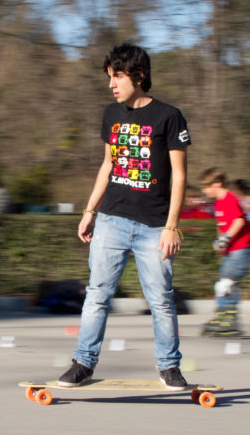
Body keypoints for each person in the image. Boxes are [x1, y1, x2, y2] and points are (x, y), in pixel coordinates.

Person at [56, 43, 191, 391]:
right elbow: (108, 164)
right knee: (97, 294)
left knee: (161, 300)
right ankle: (83, 363)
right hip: (111, 220)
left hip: (154, 226)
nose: (111, 84)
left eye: (117, 76)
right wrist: (89, 210)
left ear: (139, 76)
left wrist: (172, 226)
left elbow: (179, 175)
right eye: (109, 77)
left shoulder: (169, 116)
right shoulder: (111, 114)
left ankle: (169, 367)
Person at [199, 167, 250, 337]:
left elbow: (238, 222)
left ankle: (229, 320)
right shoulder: (217, 203)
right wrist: (220, 242)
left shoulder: (229, 199)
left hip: (242, 247)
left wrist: (225, 239)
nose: (204, 191)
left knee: (226, 284)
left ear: (217, 183)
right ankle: (223, 316)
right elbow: (222, 225)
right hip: (232, 249)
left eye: (206, 186)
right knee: (224, 284)